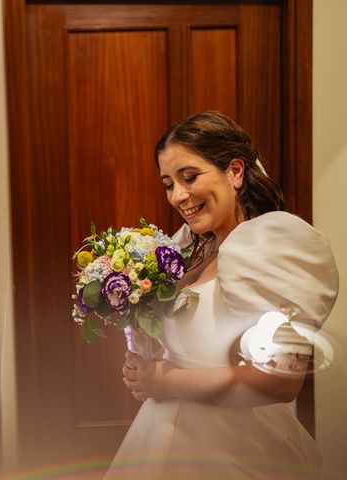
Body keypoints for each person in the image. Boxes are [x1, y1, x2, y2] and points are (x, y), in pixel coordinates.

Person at [105, 111, 339, 479]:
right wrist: (145, 356)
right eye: (168, 184)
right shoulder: (187, 251)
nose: (178, 196)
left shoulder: (269, 243)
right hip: (160, 441)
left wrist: (164, 382)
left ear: (235, 171)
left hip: (238, 451)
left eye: (190, 176)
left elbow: (280, 381)